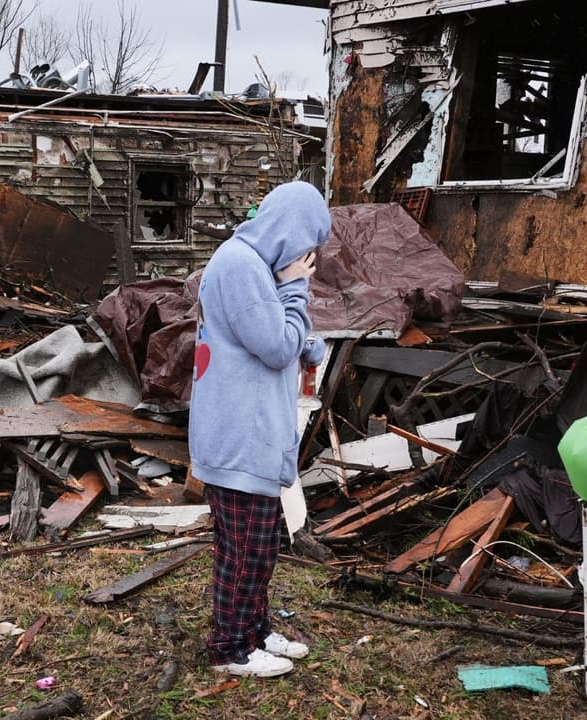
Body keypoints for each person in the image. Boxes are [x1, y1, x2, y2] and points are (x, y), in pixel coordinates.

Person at [188, 181, 330, 678]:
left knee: (262, 542)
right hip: (238, 436)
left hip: (249, 433)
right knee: (243, 550)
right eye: (310, 245)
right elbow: (274, 346)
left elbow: (268, 338)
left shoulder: (250, 265)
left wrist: (303, 342)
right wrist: (296, 289)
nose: (311, 259)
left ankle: (255, 628)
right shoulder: (242, 265)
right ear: (292, 232)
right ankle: (229, 648)